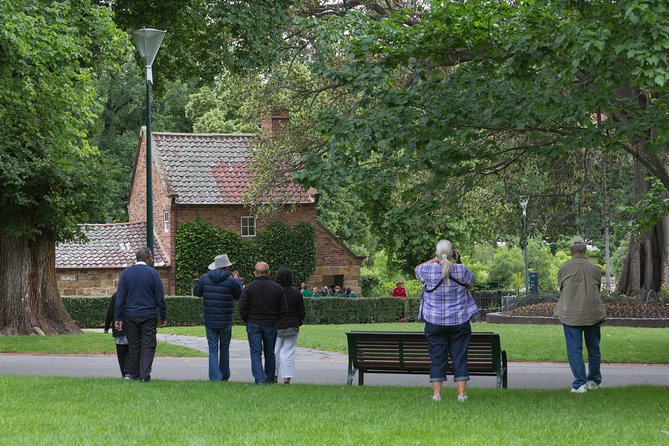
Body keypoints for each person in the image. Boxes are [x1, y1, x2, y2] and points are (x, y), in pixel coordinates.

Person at [415, 240, 477, 402]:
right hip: (459, 321)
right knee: (460, 356)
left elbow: (417, 270)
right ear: (452, 254)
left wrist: (436, 259)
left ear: (437, 254)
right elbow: (472, 282)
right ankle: (461, 395)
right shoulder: (461, 270)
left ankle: (437, 395)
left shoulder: (428, 269)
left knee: (437, 357)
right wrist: (458, 261)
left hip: (434, 322)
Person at [555, 236, 606, 394]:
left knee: (574, 350)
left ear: (571, 251)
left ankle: (579, 383)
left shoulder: (564, 267)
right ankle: (594, 381)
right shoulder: (595, 268)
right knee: (594, 348)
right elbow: (597, 289)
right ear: (585, 250)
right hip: (592, 313)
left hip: (571, 314)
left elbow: (561, 288)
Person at [114, 247, 167, 382]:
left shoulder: (126, 273)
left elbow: (120, 297)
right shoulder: (153, 273)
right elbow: (160, 297)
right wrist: (163, 316)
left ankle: (135, 373)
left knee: (134, 345)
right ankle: (144, 375)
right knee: (148, 345)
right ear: (147, 258)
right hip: (149, 314)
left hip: (130, 315)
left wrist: (118, 318)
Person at [193, 254, 243, 381]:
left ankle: (215, 376)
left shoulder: (204, 278)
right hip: (225, 320)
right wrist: (238, 282)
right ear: (226, 267)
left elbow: (196, 293)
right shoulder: (231, 281)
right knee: (224, 348)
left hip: (210, 319)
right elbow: (239, 296)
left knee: (213, 348)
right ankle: (224, 374)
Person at [238, 261, 287, 384]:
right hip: (270, 323)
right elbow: (283, 308)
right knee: (270, 352)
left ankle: (259, 378)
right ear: (269, 273)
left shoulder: (249, 287)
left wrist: (246, 319)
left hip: (253, 322)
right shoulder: (277, 288)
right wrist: (276, 318)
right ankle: (269, 378)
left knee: (255, 352)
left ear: (255, 273)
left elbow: (242, 306)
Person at [274, 267, 306, 384]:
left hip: (276, 325)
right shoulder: (296, 293)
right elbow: (301, 312)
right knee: (288, 352)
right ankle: (287, 378)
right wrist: (298, 323)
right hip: (292, 325)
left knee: (275, 351)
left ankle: (274, 376)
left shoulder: (274, 291)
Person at [104, 292, 128, 377]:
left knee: (121, 354)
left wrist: (106, 327)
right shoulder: (134, 294)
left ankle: (124, 373)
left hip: (119, 328)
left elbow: (110, 312)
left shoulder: (116, 295)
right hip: (131, 328)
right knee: (131, 352)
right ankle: (131, 372)